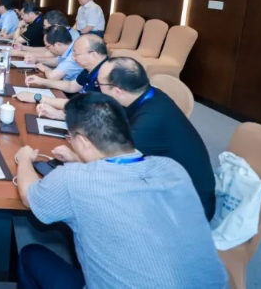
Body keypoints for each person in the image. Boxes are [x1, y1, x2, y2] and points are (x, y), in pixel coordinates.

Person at [15, 93, 227, 289]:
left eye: (71, 138)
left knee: (30, 255)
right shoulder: (172, 169)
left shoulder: (75, 179)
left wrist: (24, 159)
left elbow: (28, 195)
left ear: (83, 141)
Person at [59, 57, 215, 219]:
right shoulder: (148, 95)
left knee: (87, 196)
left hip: (185, 207)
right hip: (167, 184)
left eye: (99, 85)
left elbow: (112, 168)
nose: (98, 89)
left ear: (117, 91)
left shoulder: (150, 120)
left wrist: (76, 158)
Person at [15, 34, 108, 117]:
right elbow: (72, 86)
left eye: (76, 54)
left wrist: (37, 97)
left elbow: (84, 107)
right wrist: (42, 81)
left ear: (93, 55)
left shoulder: (106, 77)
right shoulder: (91, 68)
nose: (73, 57)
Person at [11, 10, 79, 59]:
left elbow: (49, 55)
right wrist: (22, 48)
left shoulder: (70, 37)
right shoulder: (65, 31)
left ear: (56, 26)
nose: (45, 30)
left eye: (46, 27)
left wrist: (19, 53)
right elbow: (47, 49)